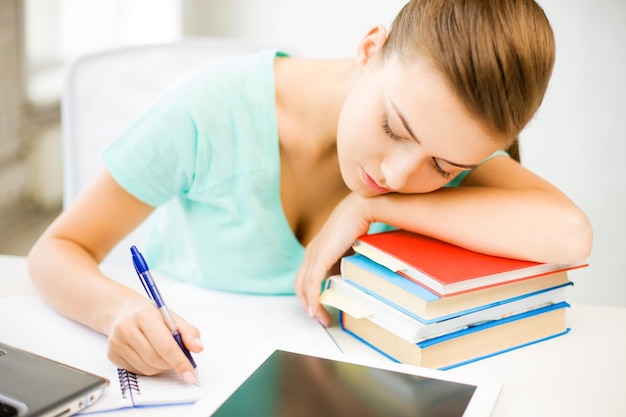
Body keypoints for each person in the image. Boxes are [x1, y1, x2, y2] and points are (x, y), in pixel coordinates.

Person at [28, 0, 592, 386]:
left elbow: (571, 234)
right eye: (395, 128)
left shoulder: (445, 147)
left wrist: (369, 204)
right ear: (371, 48)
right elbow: (58, 250)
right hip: (189, 375)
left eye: (443, 167)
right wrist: (120, 310)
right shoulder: (209, 109)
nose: (398, 174)